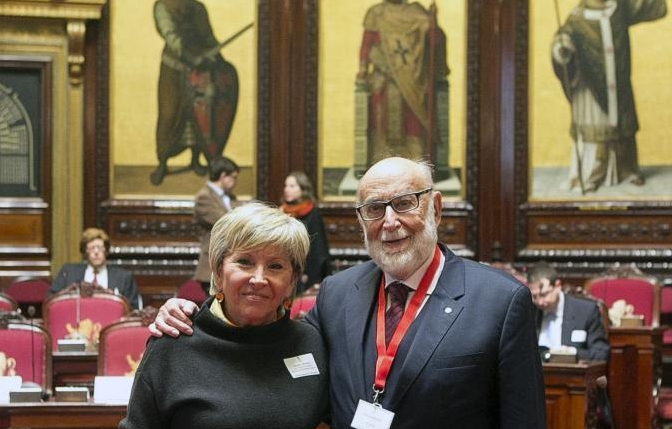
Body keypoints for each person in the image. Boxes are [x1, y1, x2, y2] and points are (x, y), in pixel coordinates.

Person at [151, 157, 547, 428]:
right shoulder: (338, 293)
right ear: (361, 221)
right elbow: (264, 334)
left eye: (404, 204)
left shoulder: (500, 301)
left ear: (435, 209)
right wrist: (190, 314)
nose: (389, 222)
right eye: (374, 209)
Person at [119, 202, 329, 429]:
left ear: (291, 281)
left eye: (275, 266)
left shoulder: (311, 343)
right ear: (218, 272)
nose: (259, 279)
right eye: (244, 262)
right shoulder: (174, 341)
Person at [551, 0, 667, 192]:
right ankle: (590, 175)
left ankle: (626, 170)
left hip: (619, 83)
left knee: (622, 126)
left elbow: (654, 8)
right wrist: (562, 49)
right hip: (591, 90)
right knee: (596, 127)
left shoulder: (620, 7)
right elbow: (563, 40)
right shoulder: (577, 18)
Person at [356, 0, 450, 179]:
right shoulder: (377, 13)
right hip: (383, 80)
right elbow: (367, 45)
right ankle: (381, 166)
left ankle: (416, 169)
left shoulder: (417, 12)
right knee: (381, 122)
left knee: (413, 124)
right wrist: (362, 69)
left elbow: (434, 41)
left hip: (413, 82)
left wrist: (433, 24)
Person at [151, 0, 239, 186]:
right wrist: (190, 56)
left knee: (198, 116)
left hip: (199, 72)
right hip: (173, 71)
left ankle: (196, 159)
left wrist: (217, 57)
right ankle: (163, 162)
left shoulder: (198, 8)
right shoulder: (163, 6)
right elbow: (170, 36)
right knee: (170, 114)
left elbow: (207, 37)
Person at [526, 261, 610, 362]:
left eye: (544, 295)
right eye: (534, 296)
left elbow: (601, 352)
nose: (539, 301)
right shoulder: (528, 311)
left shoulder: (586, 311)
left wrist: (573, 353)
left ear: (557, 286)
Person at [49, 228, 140, 309]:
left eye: (100, 248)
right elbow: (51, 299)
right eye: (92, 248)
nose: (96, 252)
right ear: (85, 251)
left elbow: (133, 307)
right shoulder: (69, 272)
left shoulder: (123, 277)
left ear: (106, 251)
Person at [279, 171, 331, 295]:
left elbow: (318, 249)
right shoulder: (281, 212)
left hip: (307, 274)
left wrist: (311, 276)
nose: (287, 190)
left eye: (292, 186)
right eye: (286, 186)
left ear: (303, 189)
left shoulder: (312, 213)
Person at [194, 156, 239, 293]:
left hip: (230, 261)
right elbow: (224, 221)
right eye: (234, 177)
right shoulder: (204, 197)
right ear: (223, 176)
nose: (235, 182)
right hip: (212, 265)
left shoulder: (230, 197)